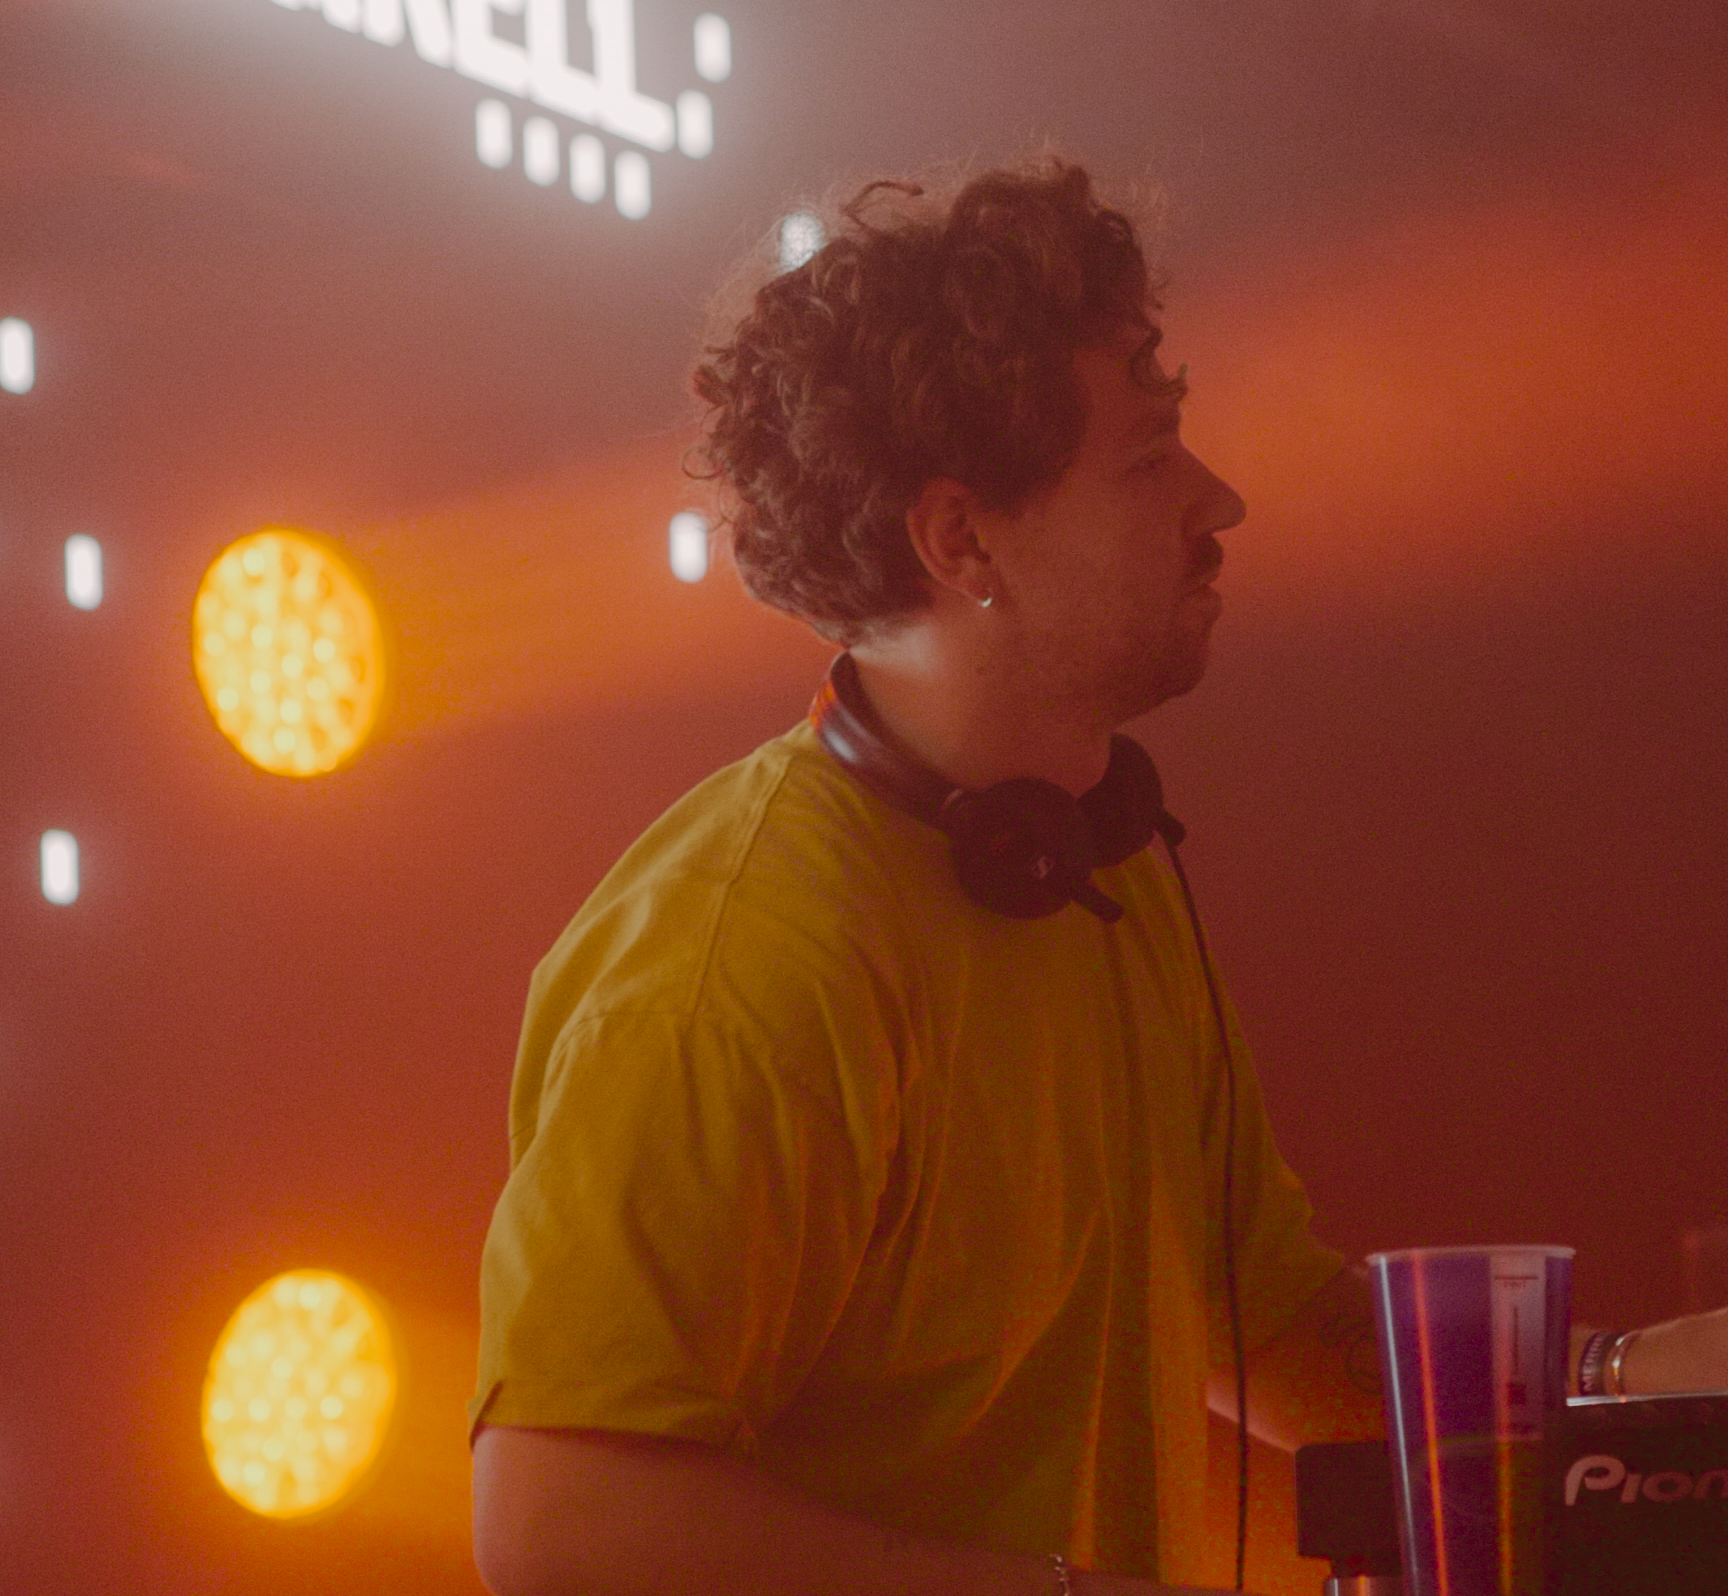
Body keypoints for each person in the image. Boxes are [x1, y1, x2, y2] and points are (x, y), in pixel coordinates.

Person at [469, 162, 1727, 1596]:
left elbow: (1271, 1327)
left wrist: (1648, 1379)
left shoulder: (1087, 871)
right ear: (962, 538)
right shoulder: (736, 965)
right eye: (1150, 456)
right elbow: (561, 1525)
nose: (1221, 497)